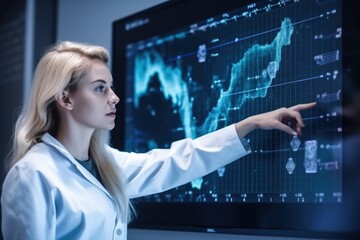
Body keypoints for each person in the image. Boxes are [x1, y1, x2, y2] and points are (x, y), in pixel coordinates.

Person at [1, 41, 316, 240]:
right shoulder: (33, 174)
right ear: (65, 98)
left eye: (111, 87)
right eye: (100, 88)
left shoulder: (104, 163)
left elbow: (175, 161)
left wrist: (248, 124)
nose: (115, 98)